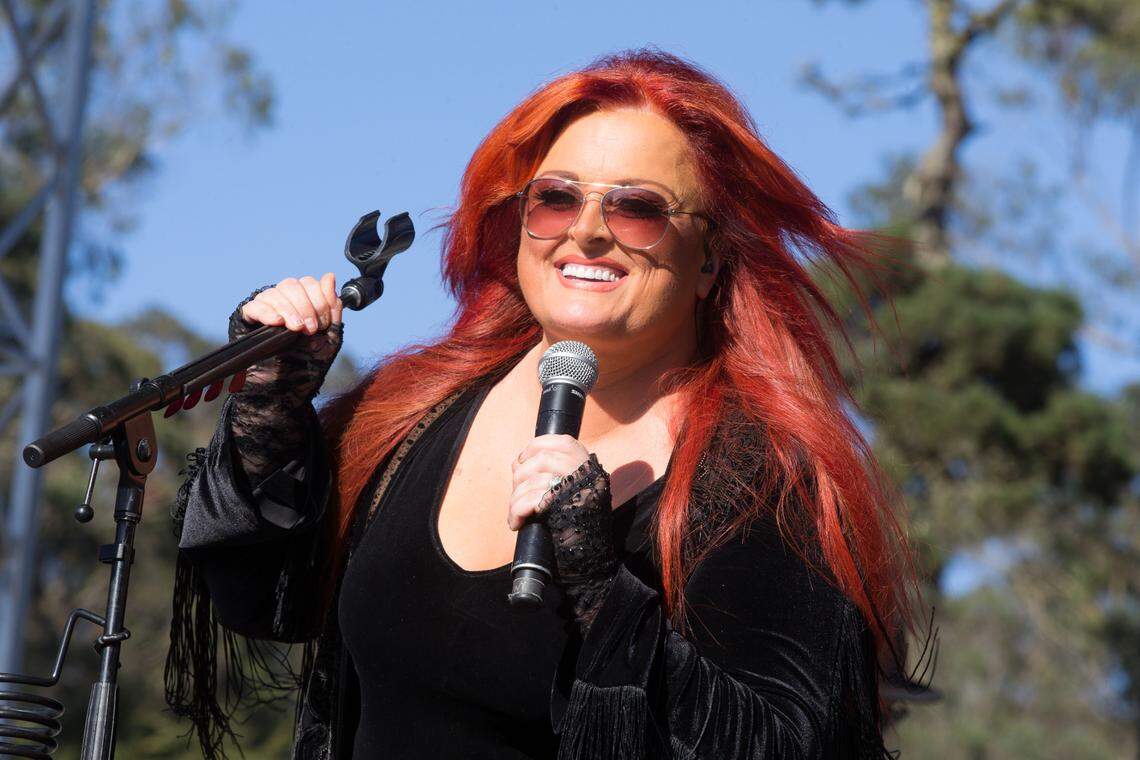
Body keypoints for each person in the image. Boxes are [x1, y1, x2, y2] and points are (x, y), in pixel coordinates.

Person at [166, 49, 926, 759]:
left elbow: (786, 741)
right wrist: (272, 410)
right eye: (555, 200)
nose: (586, 232)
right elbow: (261, 598)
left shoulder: (759, 480)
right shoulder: (413, 409)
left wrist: (600, 588)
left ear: (710, 260)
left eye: (638, 209)